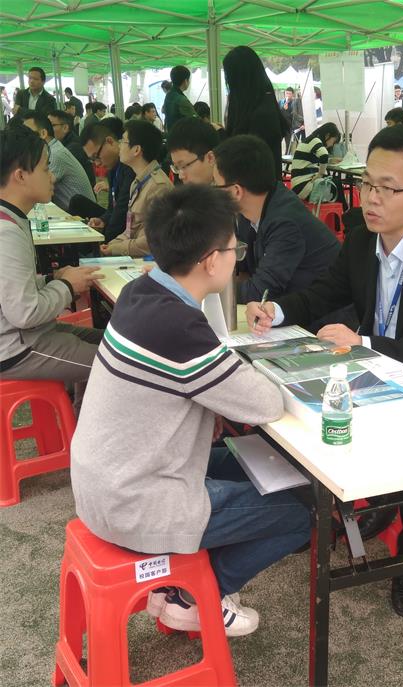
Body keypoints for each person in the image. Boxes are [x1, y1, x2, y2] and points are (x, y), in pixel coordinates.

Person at [247, 124, 403, 617]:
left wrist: (364, 344)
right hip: (376, 371)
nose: (371, 199)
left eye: (387, 188)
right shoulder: (361, 241)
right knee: (308, 419)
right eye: (367, 184)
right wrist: (276, 310)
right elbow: (324, 293)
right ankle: (352, 510)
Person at [70, 183, 311, 636]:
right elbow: (264, 403)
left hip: (107, 481)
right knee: (304, 513)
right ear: (210, 260)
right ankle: (191, 595)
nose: (237, 258)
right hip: (137, 501)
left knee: (250, 460)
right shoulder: (179, 326)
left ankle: (184, 582)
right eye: (235, 249)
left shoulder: (142, 293)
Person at [0, 125, 103, 407]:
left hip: (30, 335)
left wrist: (52, 278)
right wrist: (67, 286)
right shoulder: (6, 232)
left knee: (109, 341)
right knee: (119, 364)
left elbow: (13, 289)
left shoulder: (12, 218)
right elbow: (25, 312)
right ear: (20, 176)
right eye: (45, 169)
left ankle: (80, 414)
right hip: (17, 349)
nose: (52, 176)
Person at [213, 134, 340, 304]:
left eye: (217, 186)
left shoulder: (285, 223)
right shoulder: (250, 212)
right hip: (289, 307)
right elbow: (242, 273)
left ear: (236, 191)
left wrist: (203, 288)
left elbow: (260, 292)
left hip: (322, 315)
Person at [101, 120, 172, 258]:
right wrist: (111, 245)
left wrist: (116, 249)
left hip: (148, 261)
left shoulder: (159, 187)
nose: (119, 145)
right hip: (133, 255)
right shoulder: (137, 182)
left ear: (136, 150)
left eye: (123, 141)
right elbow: (131, 229)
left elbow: (152, 241)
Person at [223, 45, 288, 176]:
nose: (229, 83)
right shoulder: (257, 104)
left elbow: (246, 158)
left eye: (230, 77)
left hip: (257, 185)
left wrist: (221, 136)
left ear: (241, 78)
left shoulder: (263, 114)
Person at [22, 111, 95, 212]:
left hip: (84, 216)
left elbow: (36, 188)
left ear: (43, 133)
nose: (24, 138)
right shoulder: (51, 149)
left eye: (28, 133)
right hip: (71, 212)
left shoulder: (55, 154)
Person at [77, 120, 136, 242]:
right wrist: (103, 220)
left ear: (110, 141)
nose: (97, 163)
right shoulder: (113, 167)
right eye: (92, 160)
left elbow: (122, 210)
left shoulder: (129, 166)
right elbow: (112, 207)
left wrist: (105, 244)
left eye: (96, 156)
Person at [290, 122, 341, 200]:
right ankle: (345, 207)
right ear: (327, 135)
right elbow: (324, 155)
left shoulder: (309, 140)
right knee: (337, 184)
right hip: (304, 187)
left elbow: (313, 158)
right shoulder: (315, 140)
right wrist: (320, 174)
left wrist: (330, 160)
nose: (332, 145)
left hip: (297, 187)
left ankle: (344, 207)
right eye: (333, 141)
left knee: (334, 183)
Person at [48, 109, 96, 188]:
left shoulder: (74, 148)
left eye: (51, 126)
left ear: (65, 128)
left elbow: (48, 179)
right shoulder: (61, 144)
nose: (47, 129)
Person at [167, 117, 220, 185]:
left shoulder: (230, 190)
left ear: (210, 158)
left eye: (184, 166)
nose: (180, 176)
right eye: (176, 168)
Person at [163, 65, 196, 131]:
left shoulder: (168, 95)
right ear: (185, 81)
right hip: (181, 135)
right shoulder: (181, 100)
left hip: (171, 134)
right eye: (188, 80)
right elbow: (196, 121)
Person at [279, 86, 304, 152]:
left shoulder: (295, 102)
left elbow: (294, 115)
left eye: (289, 93)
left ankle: (287, 155)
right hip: (281, 126)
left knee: (289, 144)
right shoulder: (281, 102)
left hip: (290, 127)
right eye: (286, 93)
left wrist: (286, 110)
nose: (287, 95)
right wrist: (283, 109)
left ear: (292, 94)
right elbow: (278, 113)